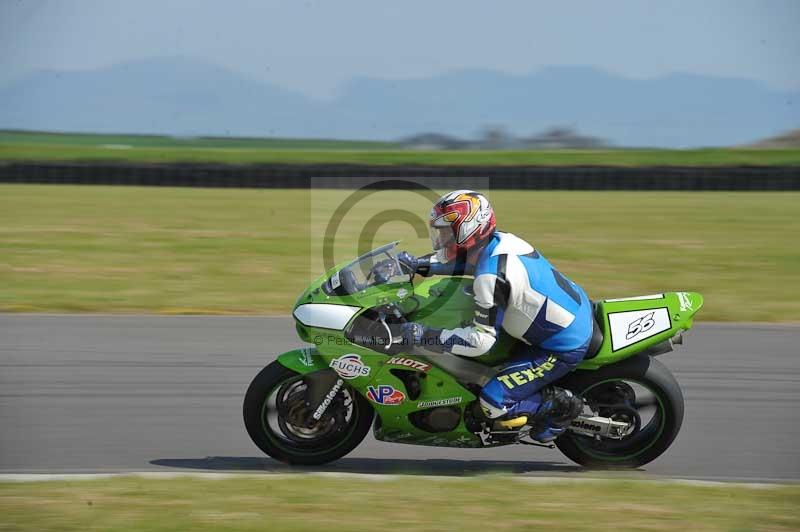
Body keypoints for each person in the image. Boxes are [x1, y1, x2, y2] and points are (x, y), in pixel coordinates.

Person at [397, 190, 591, 442]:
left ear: (468, 229)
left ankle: (560, 406)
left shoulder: (490, 277)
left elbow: (481, 342)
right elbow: (468, 264)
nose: (440, 238)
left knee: (492, 402)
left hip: (561, 345)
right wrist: (420, 265)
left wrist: (427, 336)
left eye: (446, 231)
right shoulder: (501, 241)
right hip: (574, 309)